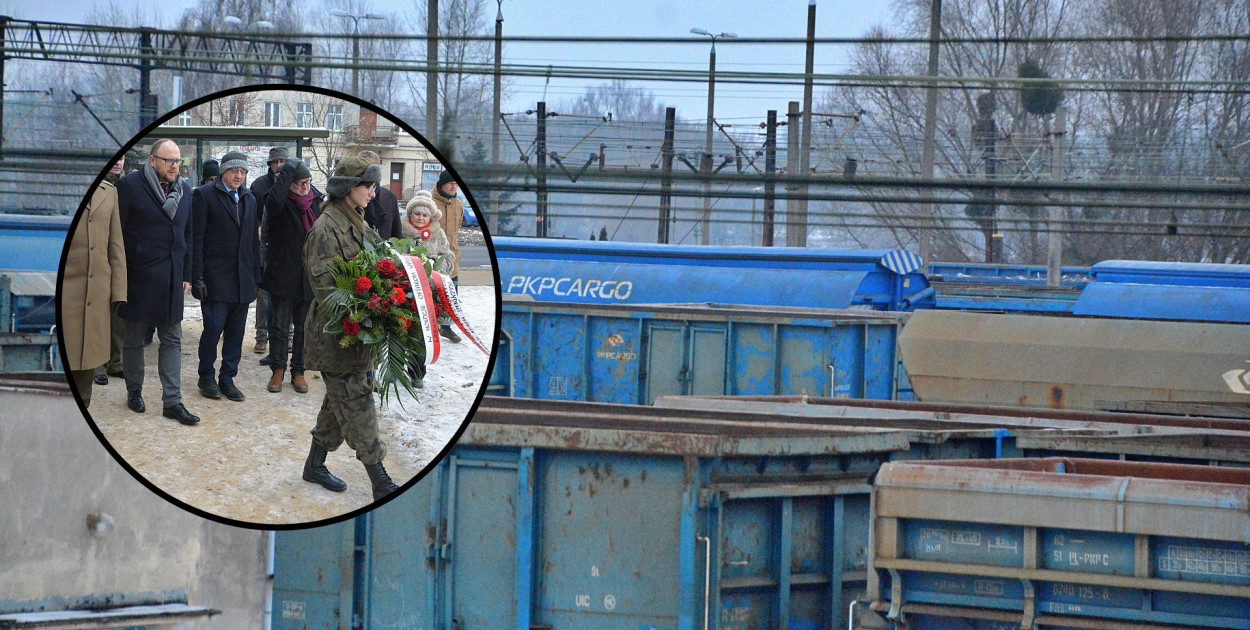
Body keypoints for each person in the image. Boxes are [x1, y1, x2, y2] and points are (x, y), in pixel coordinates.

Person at [302, 156, 400, 501]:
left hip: (357, 335)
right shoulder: (326, 229)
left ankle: (314, 465)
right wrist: (371, 314)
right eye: (368, 186)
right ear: (348, 188)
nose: (373, 193)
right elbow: (329, 294)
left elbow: (375, 267)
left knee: (338, 403)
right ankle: (381, 481)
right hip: (337, 337)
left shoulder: (357, 221)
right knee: (357, 404)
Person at [116, 138, 199, 425]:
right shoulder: (129, 187)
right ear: (153, 161)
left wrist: (187, 274)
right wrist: (122, 274)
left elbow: (187, 236)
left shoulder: (185, 191)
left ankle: (172, 402)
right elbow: (119, 236)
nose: (175, 166)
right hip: (138, 277)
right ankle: (134, 391)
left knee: (172, 339)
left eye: (178, 161)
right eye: (170, 161)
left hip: (172, 279)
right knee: (135, 338)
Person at [191, 151, 261, 402]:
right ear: (223, 172)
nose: (238, 176)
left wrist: (255, 277)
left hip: (242, 280)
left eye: (242, 172)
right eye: (234, 171)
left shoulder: (249, 199)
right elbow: (195, 240)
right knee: (213, 329)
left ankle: (228, 378)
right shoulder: (204, 195)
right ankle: (206, 377)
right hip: (215, 279)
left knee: (236, 333)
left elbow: (254, 241)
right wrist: (197, 276)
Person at [259, 158, 320, 395]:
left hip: (307, 276)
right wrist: (289, 169)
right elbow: (273, 198)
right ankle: (278, 370)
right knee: (280, 326)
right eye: (300, 183)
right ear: (288, 184)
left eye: (307, 182)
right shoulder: (279, 203)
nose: (305, 187)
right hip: (282, 273)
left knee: (304, 327)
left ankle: (298, 372)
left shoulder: (316, 202)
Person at [65, 173, 127, 407]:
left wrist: (119, 291)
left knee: (87, 363)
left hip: (97, 294)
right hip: (67, 294)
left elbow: (116, 244)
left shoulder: (109, 192)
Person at [400, 190, 454, 389]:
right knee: (400, 329)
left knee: (422, 333)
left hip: (428, 293)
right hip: (403, 290)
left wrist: (435, 268)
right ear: (410, 214)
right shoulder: (401, 230)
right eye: (417, 214)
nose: (421, 218)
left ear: (431, 217)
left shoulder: (438, 233)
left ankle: (416, 372)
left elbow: (448, 257)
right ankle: (396, 366)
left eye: (425, 215)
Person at [92, 157, 128, 387]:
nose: (118, 162)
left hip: (118, 256)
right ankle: (96, 365)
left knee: (118, 313)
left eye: (122, 158)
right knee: (96, 317)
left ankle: (116, 362)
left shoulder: (121, 187)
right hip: (94, 261)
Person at [249, 146, 288, 355]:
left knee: (286, 296)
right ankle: (261, 336)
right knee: (263, 296)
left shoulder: (293, 185)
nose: (279, 165)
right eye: (276, 162)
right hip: (264, 246)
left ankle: (287, 336)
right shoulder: (258, 186)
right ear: (270, 165)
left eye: (282, 161)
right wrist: (257, 227)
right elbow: (251, 213)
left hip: (285, 250)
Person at [430, 169, 463, 343]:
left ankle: (446, 327)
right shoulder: (429, 201)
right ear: (442, 183)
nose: (453, 186)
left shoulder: (459, 204)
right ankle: (430, 329)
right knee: (432, 296)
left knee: (451, 296)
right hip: (433, 258)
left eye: (456, 183)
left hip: (453, 260)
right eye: (450, 183)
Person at [358, 150, 402, 240]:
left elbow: (397, 233)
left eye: (372, 168)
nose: (369, 173)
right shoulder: (353, 196)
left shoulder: (390, 197)